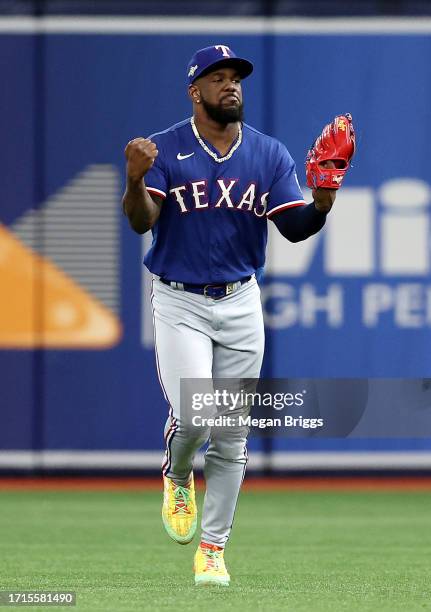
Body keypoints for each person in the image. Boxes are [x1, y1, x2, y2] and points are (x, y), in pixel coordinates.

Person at [123, 44, 336, 587]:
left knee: (232, 432)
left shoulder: (268, 154)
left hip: (241, 300)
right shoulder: (166, 148)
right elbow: (142, 220)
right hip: (179, 299)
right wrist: (135, 180)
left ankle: (213, 550)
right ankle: (176, 474)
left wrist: (324, 200)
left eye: (235, 77)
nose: (230, 85)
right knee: (197, 416)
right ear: (195, 91)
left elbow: (294, 226)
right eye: (217, 78)